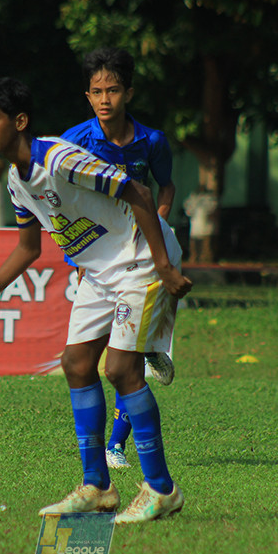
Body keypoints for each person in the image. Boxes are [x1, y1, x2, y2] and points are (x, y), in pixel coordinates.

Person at [0, 77, 191, 523]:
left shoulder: (59, 158)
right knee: (76, 364)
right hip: (99, 272)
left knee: (120, 369)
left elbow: (140, 192)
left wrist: (165, 266)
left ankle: (161, 489)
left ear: (20, 121)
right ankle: (97, 487)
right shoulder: (17, 181)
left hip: (140, 260)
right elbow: (27, 249)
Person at [61, 46, 177, 470]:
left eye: (112, 90)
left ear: (128, 93)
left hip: (145, 254)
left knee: (121, 361)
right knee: (85, 360)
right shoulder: (74, 142)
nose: (104, 99)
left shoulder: (152, 141)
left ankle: (115, 446)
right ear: (87, 96)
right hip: (99, 258)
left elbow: (166, 187)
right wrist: (79, 252)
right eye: (97, 92)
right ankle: (152, 348)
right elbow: (65, 200)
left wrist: (156, 228)